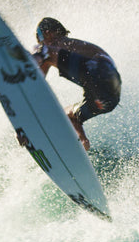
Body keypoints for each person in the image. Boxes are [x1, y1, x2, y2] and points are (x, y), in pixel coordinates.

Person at [31, 17, 121, 151]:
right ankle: (83, 144)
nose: (40, 41)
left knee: (46, 52)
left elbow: (46, 58)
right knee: (68, 116)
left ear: (48, 32)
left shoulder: (60, 43)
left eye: (39, 36)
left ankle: (25, 63)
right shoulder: (70, 48)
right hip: (108, 99)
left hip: (100, 70)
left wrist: (38, 55)